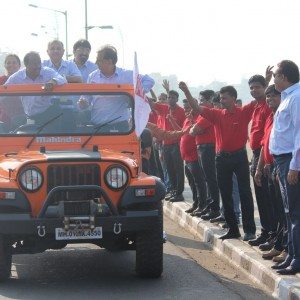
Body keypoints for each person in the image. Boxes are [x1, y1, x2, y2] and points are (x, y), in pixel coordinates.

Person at [180, 82, 256, 241]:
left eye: (225, 98)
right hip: (222, 158)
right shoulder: (216, 114)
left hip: (240, 157)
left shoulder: (244, 112)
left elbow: (259, 98)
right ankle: (233, 229)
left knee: (245, 193)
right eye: (220, 98)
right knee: (226, 194)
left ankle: (250, 230)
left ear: (234, 99)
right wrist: (186, 90)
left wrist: (267, 80)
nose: (221, 100)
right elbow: (196, 107)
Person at [269, 60, 300, 275]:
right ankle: (291, 254)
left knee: (295, 213)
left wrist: (294, 166)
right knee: (289, 212)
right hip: (282, 160)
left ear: (285, 77)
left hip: (290, 159)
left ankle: (297, 259)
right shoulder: (288, 97)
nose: (274, 79)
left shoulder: (296, 98)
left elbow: (299, 135)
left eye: (276, 75)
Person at [82, 45, 154, 131]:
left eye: (99, 60)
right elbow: (86, 97)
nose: (96, 62)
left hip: (119, 127)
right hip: (97, 127)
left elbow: (149, 80)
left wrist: (135, 94)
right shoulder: (92, 76)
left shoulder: (126, 75)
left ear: (109, 61)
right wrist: (83, 102)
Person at [254, 84, 287, 262]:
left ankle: (286, 248)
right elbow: (263, 144)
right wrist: (260, 167)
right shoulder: (270, 117)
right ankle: (279, 244)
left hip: (281, 168)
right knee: (277, 210)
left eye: (274, 96)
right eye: (268, 96)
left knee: (286, 211)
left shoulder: (284, 116)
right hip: (270, 168)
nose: (270, 99)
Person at [247, 75, 276, 248]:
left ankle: (272, 234)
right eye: (251, 87)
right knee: (260, 196)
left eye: (258, 87)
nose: (254, 90)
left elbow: (267, 136)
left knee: (268, 197)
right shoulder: (257, 107)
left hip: (265, 155)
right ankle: (266, 232)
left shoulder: (267, 106)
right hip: (256, 153)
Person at [5, 51, 67, 124]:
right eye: (34, 64)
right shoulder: (17, 77)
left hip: (48, 114)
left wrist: (52, 82)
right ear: (26, 65)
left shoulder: (47, 71)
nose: (38, 66)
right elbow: (5, 90)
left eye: (39, 63)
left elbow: (62, 79)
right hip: (29, 117)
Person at [150, 90, 186, 202]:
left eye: (172, 97)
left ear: (177, 99)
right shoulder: (164, 109)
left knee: (178, 169)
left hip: (176, 144)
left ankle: (179, 193)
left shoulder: (182, 111)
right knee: (169, 169)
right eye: (169, 97)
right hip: (165, 144)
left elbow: (183, 130)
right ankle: (174, 191)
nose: (170, 99)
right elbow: (152, 104)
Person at [189, 89, 220, 219]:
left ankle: (214, 208)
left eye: (202, 100)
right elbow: (193, 131)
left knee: (211, 179)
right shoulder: (203, 115)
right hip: (203, 148)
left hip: (208, 148)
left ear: (209, 101)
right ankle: (209, 205)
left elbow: (194, 131)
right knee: (207, 179)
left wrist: (195, 128)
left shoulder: (209, 115)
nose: (200, 103)